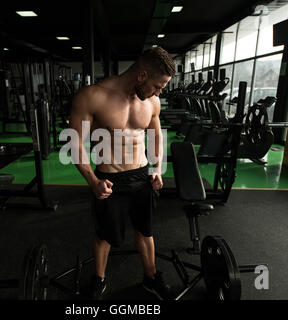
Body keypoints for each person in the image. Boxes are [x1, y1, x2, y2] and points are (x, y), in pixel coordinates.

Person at [69, 47, 175, 300]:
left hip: (142, 176)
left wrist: (156, 168)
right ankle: (99, 279)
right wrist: (92, 181)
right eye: (158, 85)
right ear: (142, 76)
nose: (160, 92)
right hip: (109, 179)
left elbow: (156, 136)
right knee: (105, 235)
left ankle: (150, 278)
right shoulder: (93, 96)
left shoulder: (152, 102)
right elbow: (74, 144)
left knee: (145, 231)